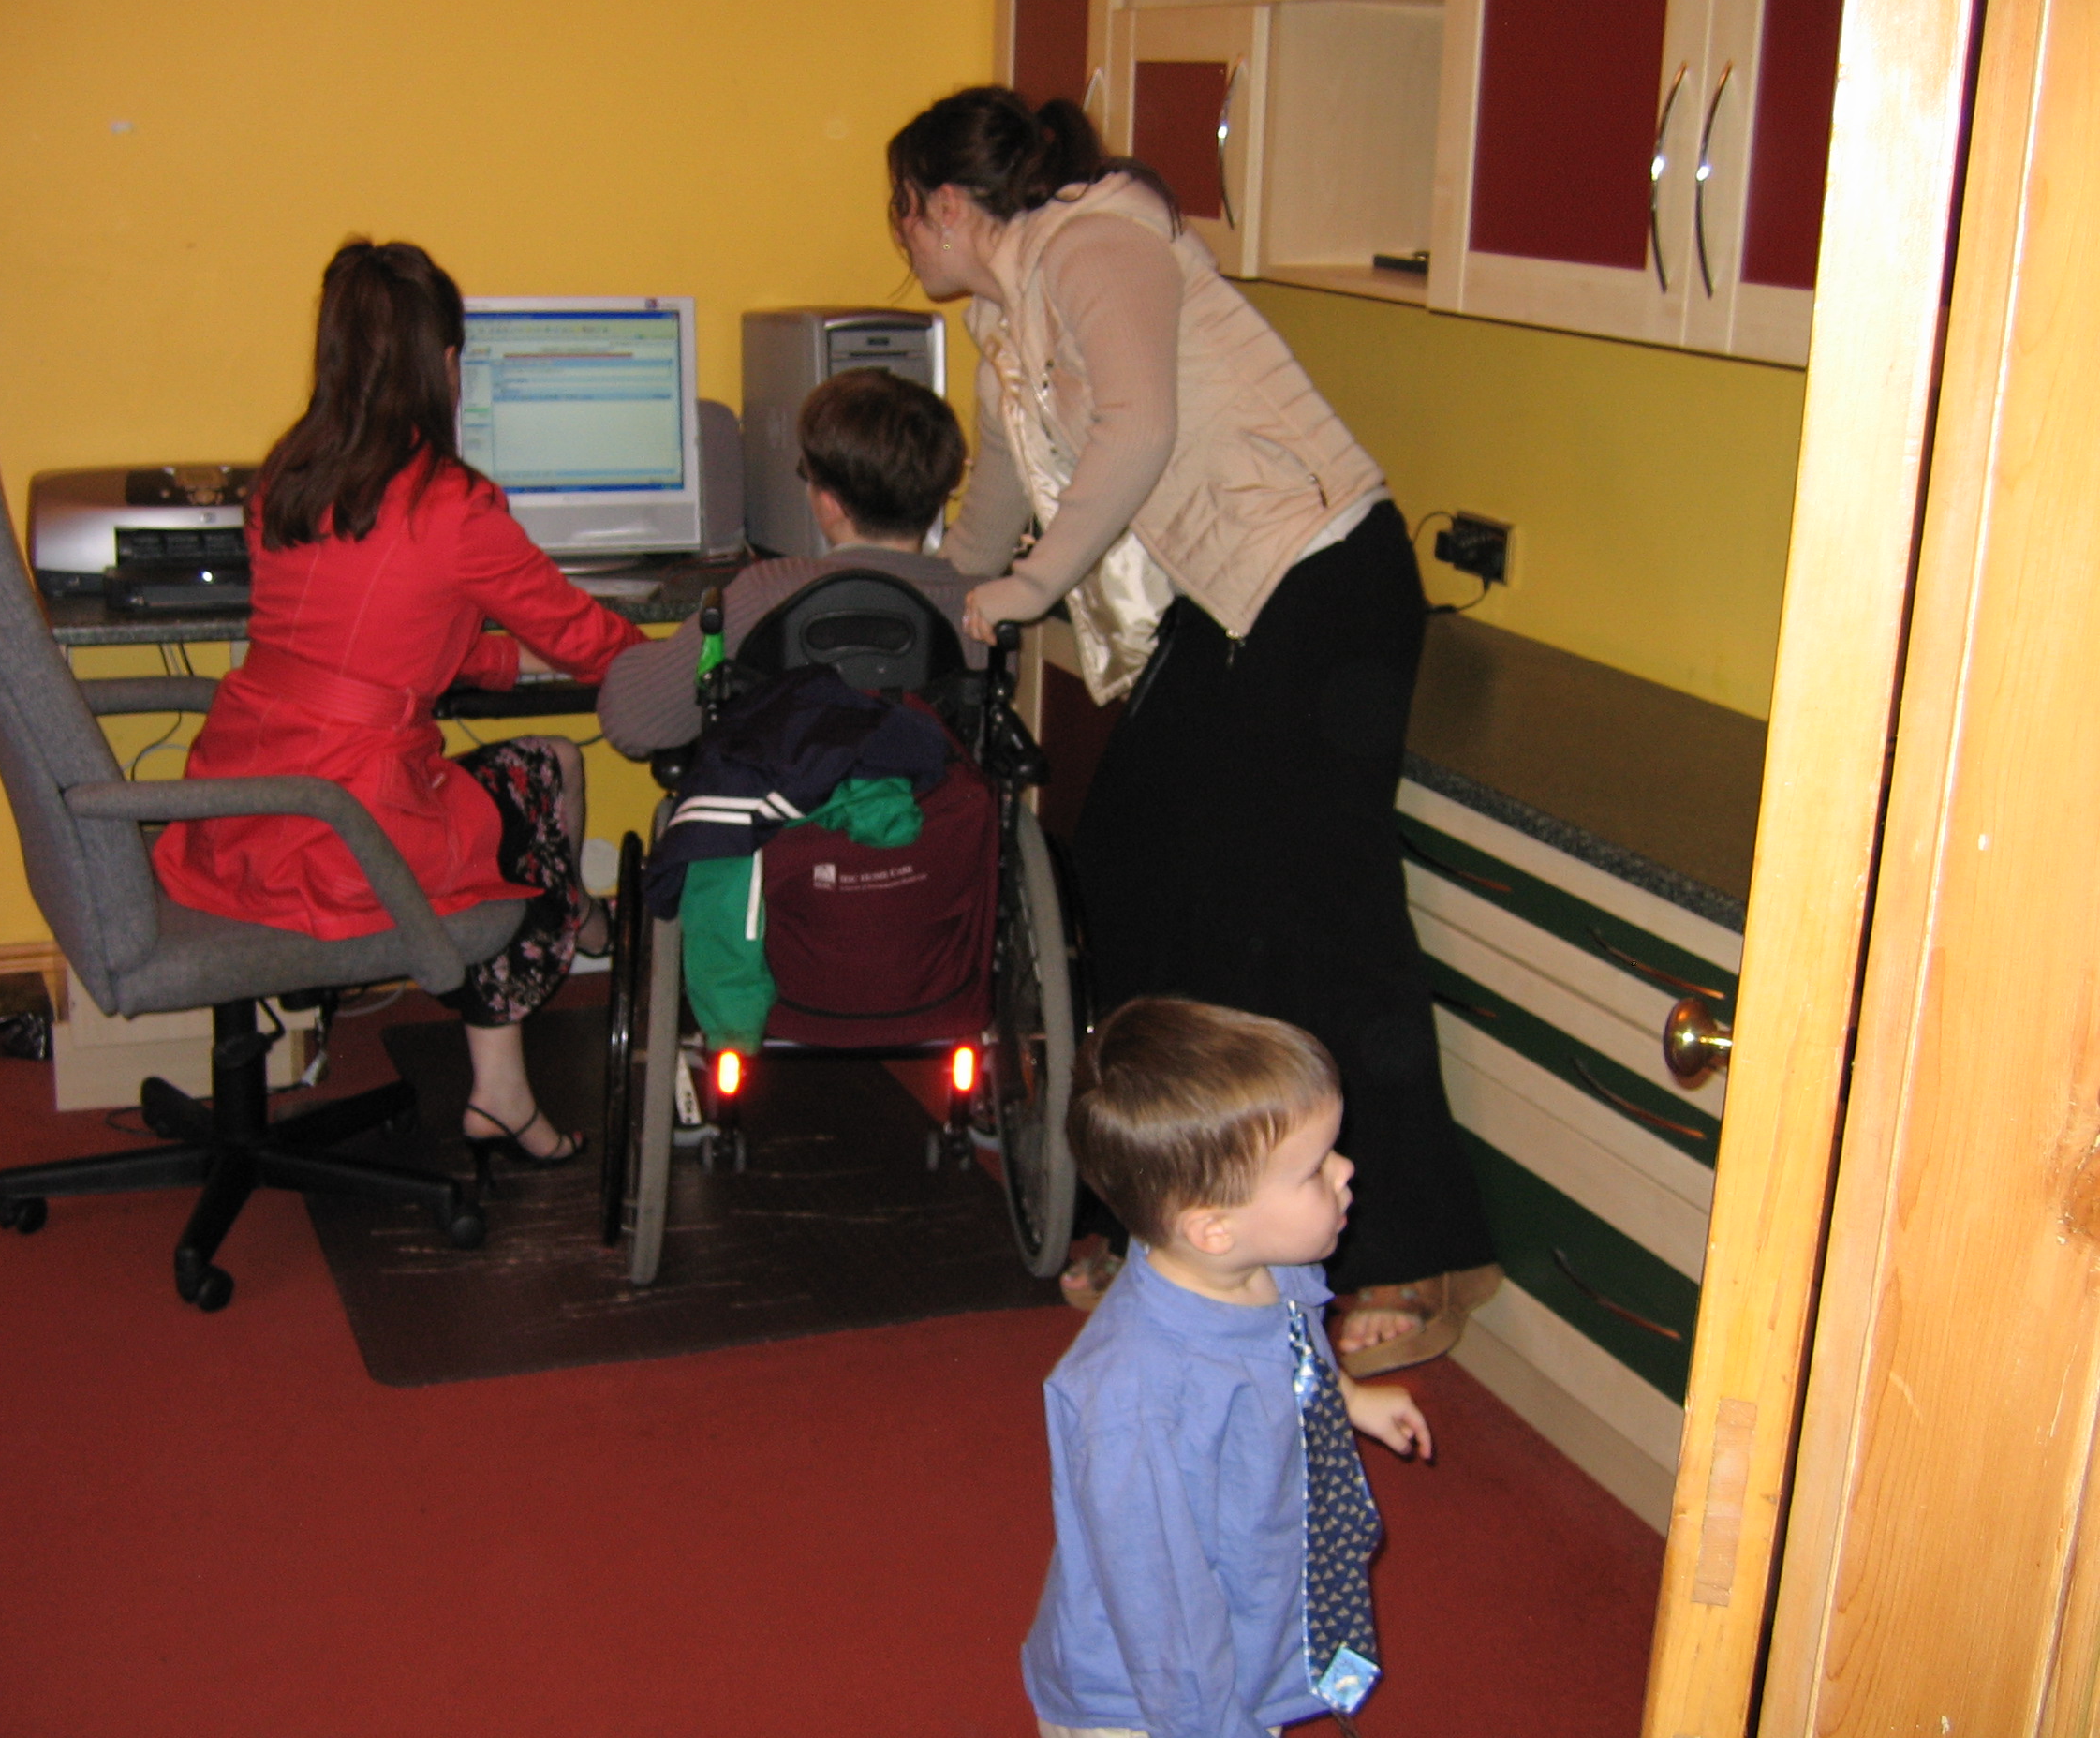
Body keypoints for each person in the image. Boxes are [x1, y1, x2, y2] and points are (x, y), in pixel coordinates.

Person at [884, 85, 1500, 1373]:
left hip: (1321, 585)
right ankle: (1190, 1216)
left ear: (947, 204)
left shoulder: (1097, 245)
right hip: (1231, 613)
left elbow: (1140, 426)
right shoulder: (1009, 316)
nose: (901, 243)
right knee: (1133, 879)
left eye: (902, 217)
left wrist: (1032, 591)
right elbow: (994, 498)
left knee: (1315, 905)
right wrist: (928, 605)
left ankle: (1412, 1250)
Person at [154, 239, 643, 1172]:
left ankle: (547, 989)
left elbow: (388, 638)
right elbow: (585, 637)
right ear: (447, 365)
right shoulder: (453, 504)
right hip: (347, 827)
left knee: (526, 783)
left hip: (241, 809)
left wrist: (500, 665)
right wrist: (675, 665)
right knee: (547, 776)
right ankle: (563, 951)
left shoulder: (285, 476)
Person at [1024, 997, 1431, 1738]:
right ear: (1212, 1227)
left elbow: (1294, 1345)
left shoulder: (1264, 1267)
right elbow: (1163, 1609)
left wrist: (1347, 1399)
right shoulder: (1135, 1401)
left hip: (1252, 1618)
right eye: (1314, 1169)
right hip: (1153, 1704)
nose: (1346, 1172)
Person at [595, 366, 982, 757]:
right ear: (938, 496)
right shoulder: (980, 611)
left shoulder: (767, 591)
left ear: (829, 504)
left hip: (778, 817)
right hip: (925, 817)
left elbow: (631, 723)